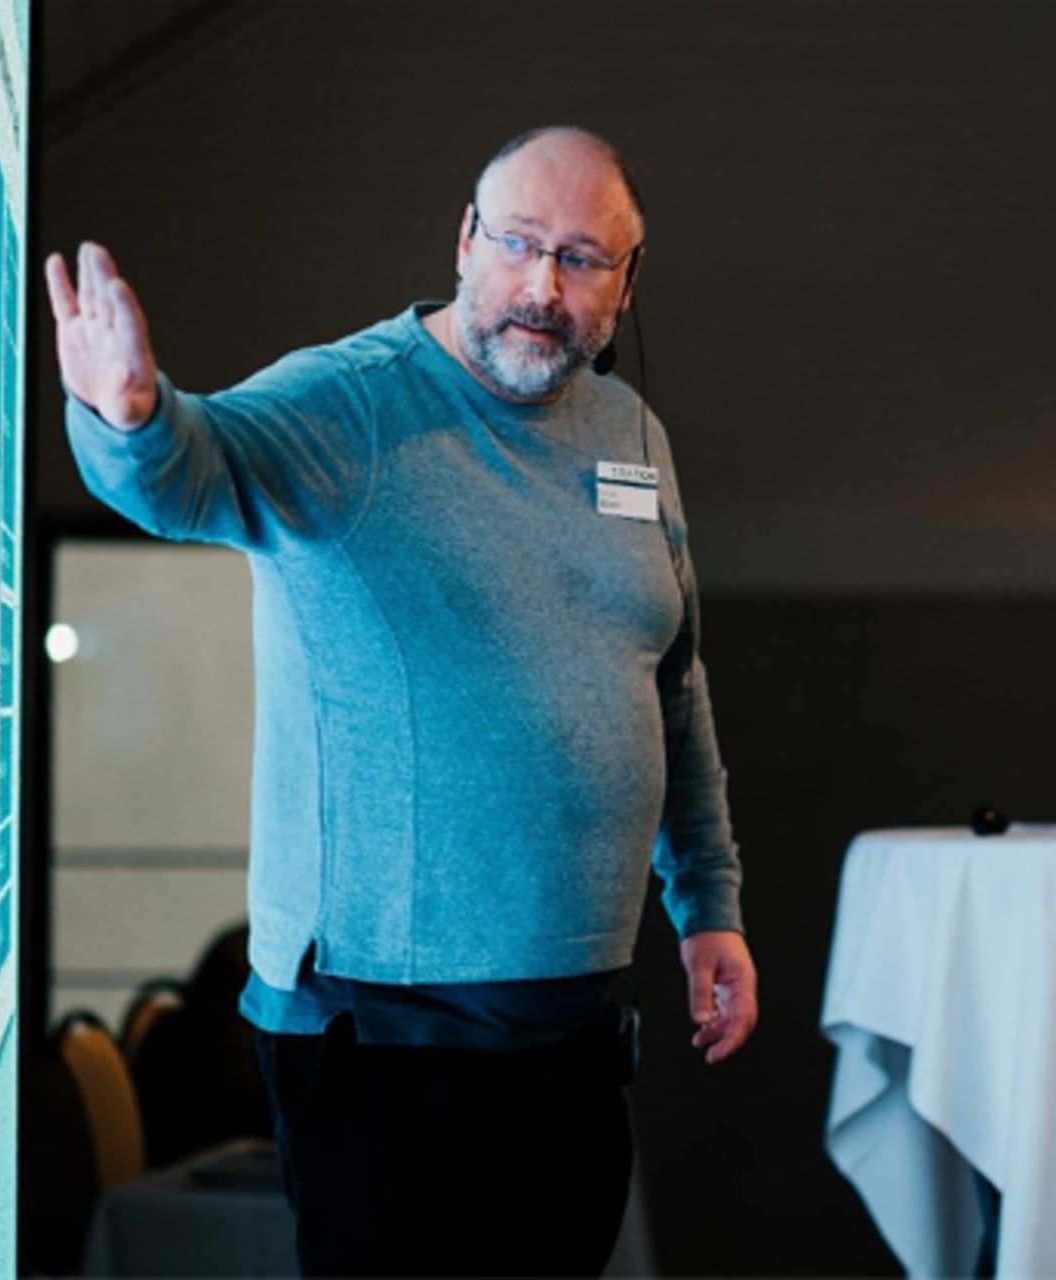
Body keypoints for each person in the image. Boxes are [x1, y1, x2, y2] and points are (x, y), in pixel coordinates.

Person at [45, 124, 758, 1277]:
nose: (542, 286)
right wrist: (127, 413)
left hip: (576, 1029)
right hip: (381, 1038)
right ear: (466, 239)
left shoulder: (632, 435)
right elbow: (190, 471)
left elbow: (672, 680)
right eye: (520, 242)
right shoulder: (355, 404)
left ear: (626, 285)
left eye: (583, 258)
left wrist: (708, 901)